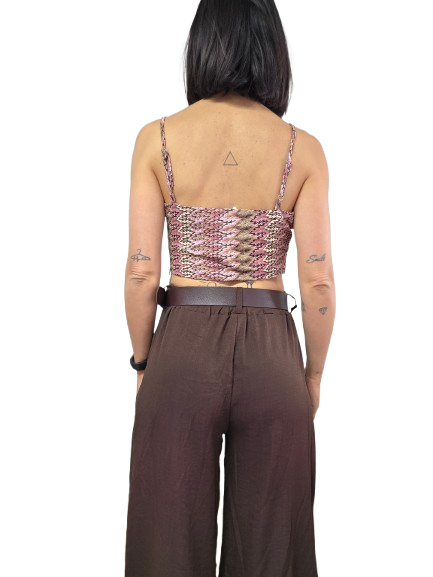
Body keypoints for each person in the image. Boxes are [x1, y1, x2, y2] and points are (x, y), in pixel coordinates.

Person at [123, 1, 335, 575]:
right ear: (272, 50)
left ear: (203, 46)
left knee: (166, 544)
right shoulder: (303, 149)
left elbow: (141, 273)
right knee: (272, 548)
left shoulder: (157, 139)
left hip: (183, 345)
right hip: (273, 351)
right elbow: (318, 279)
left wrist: (143, 363)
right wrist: (313, 374)